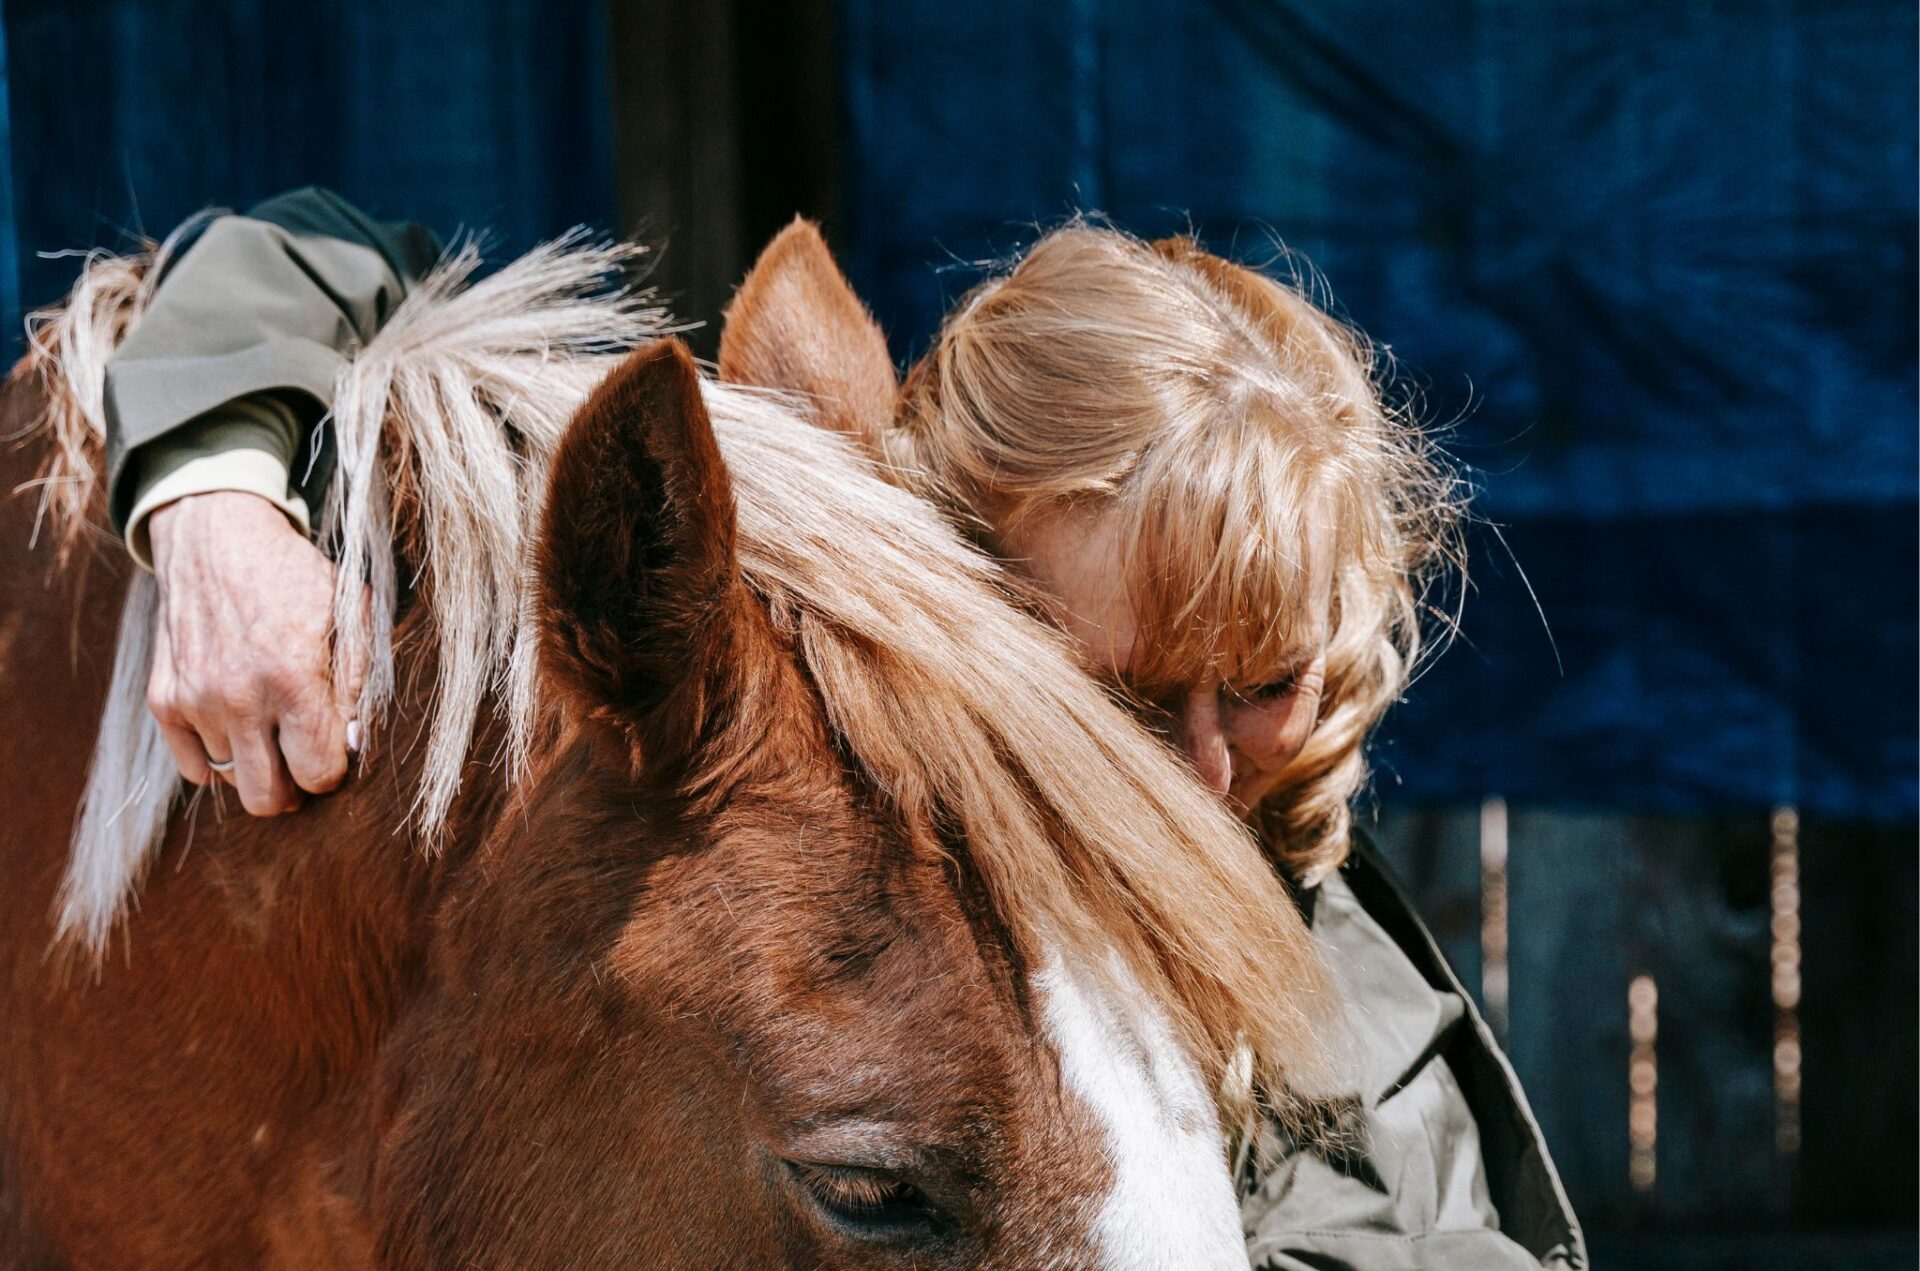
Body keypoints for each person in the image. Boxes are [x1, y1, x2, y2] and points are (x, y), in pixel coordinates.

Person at [103, 188, 1585, 1268]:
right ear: (931, 561)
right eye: (1112, 698)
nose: (1200, 780)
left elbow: (1408, 1239)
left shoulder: (1330, 976)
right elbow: (335, 264)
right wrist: (215, 491)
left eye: (1262, 682)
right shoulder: (878, 704)